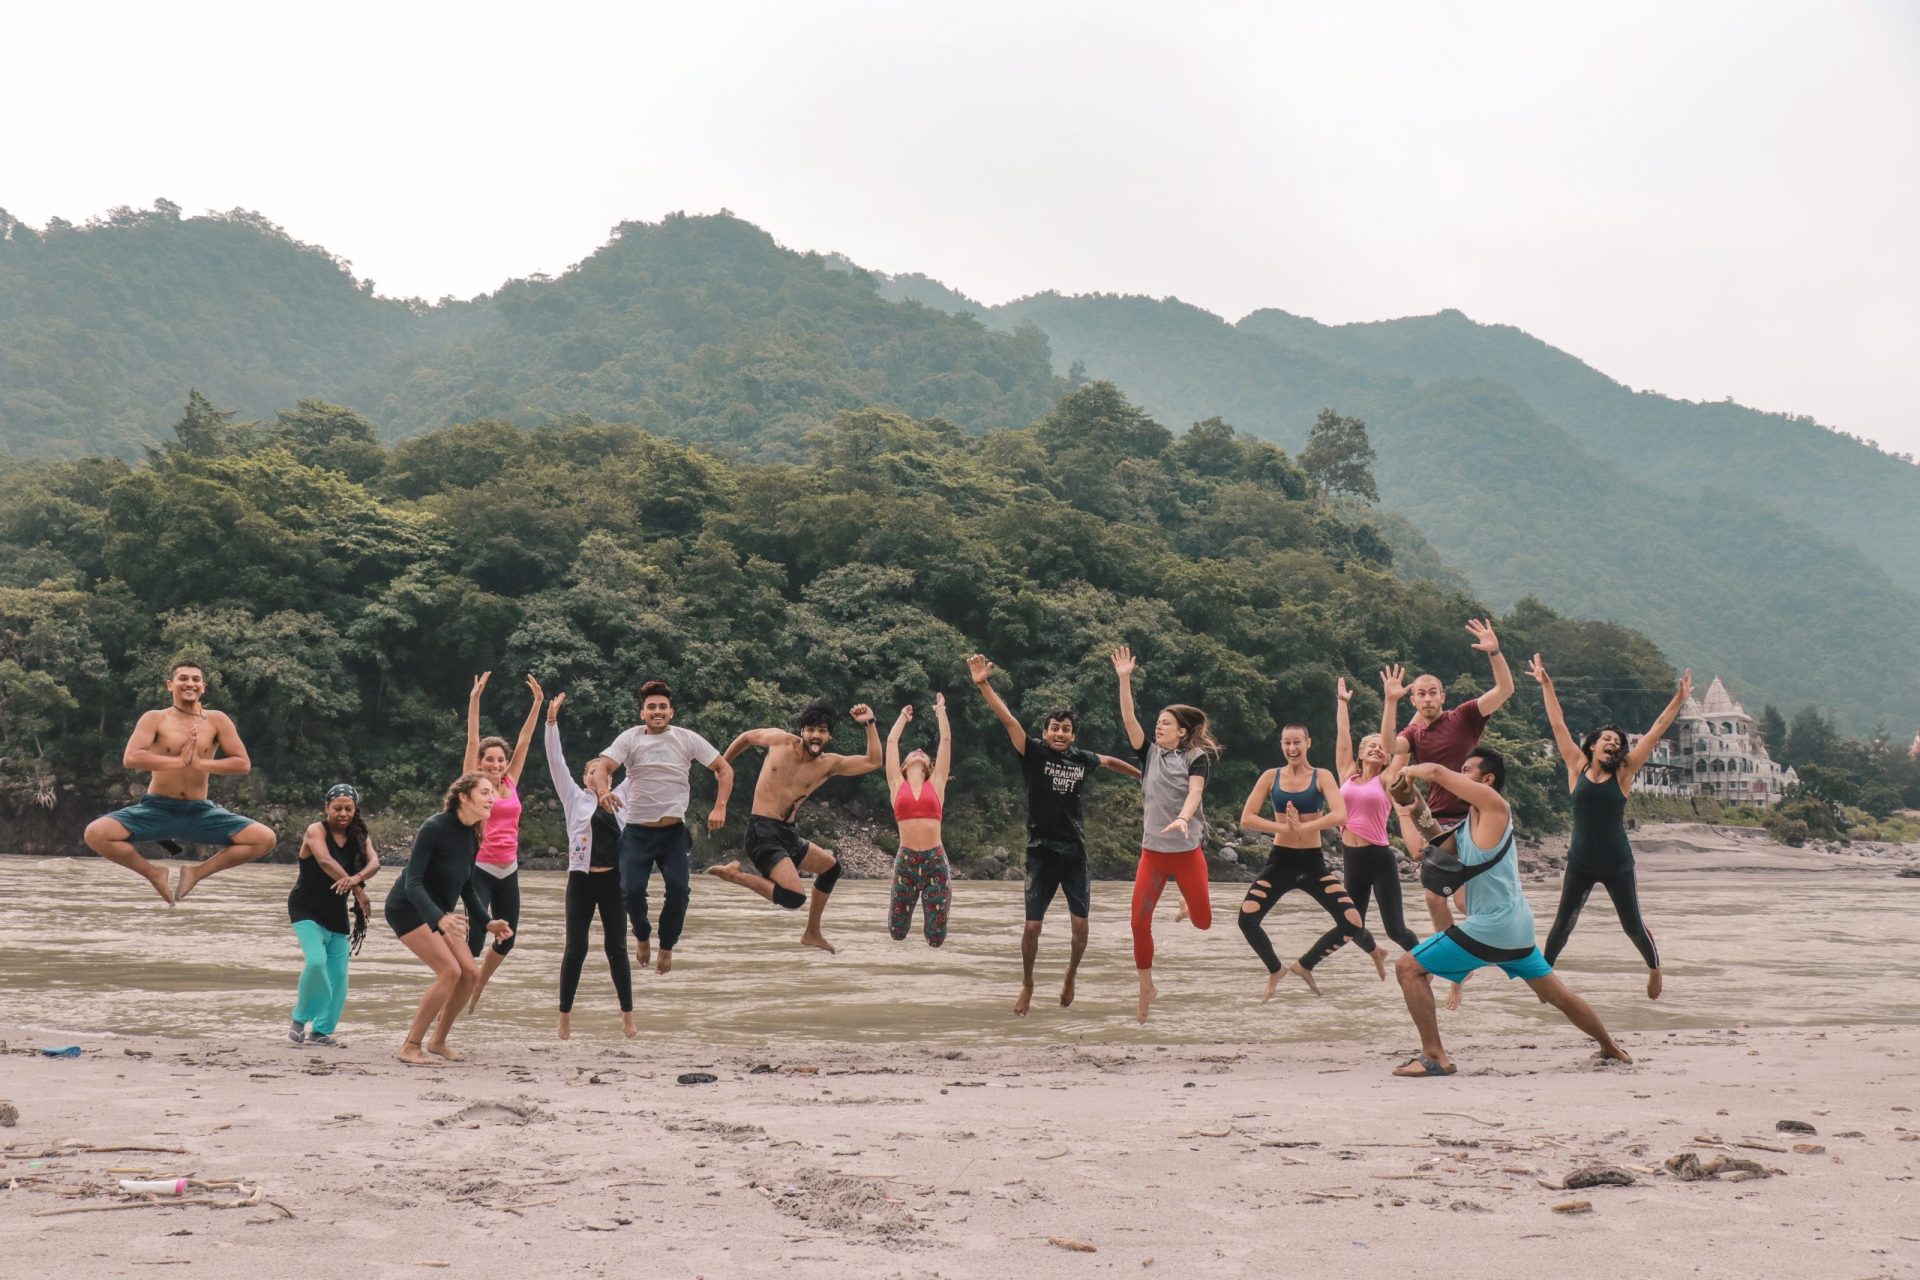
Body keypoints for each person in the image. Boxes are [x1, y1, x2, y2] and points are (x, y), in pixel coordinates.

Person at [1391, 750, 1631, 1076]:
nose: (1459, 774)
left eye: (1466, 769)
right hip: (1515, 927)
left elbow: (1435, 770)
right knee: (1555, 994)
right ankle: (1610, 1047)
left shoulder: (1495, 807)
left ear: (1487, 780)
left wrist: (1408, 770)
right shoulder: (1467, 827)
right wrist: (1412, 799)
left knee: (1407, 968)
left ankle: (1435, 1055)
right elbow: (1434, 838)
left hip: (1493, 925)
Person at [966, 654, 1140, 1016]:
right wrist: (983, 684)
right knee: (1032, 927)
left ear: (1073, 736)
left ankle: (1071, 973)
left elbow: (1109, 761)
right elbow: (1009, 720)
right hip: (1041, 852)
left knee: (1080, 929)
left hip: (1075, 853)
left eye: (1066, 730)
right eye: (1054, 729)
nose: (1060, 734)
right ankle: (1028, 982)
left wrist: (1143, 777)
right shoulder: (1032, 752)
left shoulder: (1081, 758)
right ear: (1045, 732)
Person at [1533, 656, 1693, 1000]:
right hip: (1580, 862)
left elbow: (1654, 732)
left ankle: (1654, 968)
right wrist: (1546, 684)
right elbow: (1558, 724)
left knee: (1631, 926)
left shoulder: (1624, 773)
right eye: (1607, 739)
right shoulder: (1576, 765)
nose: (1614, 743)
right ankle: (1545, 980)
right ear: (1592, 745)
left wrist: (1678, 700)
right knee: (1562, 925)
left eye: (1618, 742)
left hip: (1618, 864)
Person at [1380, 619, 1515, 1005]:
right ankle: (1456, 964)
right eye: (1419, 694)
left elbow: (1505, 689)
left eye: (1432, 692)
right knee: (1434, 898)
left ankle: (1482, 950)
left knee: (1462, 902)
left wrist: (1494, 651)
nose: (1426, 699)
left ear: (1443, 695)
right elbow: (1391, 745)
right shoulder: (1413, 733)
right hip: (1438, 825)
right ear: (1413, 700)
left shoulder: (1465, 716)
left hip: (1475, 819)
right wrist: (1389, 701)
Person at [83, 659, 277, 904]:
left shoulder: (217, 720)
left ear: (203, 687)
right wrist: (179, 761)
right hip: (157, 808)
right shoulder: (155, 718)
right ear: (170, 684)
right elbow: (131, 758)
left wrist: (200, 763)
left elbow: (242, 764)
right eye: (183, 678)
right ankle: (154, 873)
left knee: (264, 838)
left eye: (196, 679)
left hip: (199, 811)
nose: (190, 683)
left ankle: (196, 873)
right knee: (95, 834)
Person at [707, 699, 881, 954]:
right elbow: (745, 737)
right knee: (794, 898)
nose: (815, 735)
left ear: (829, 736)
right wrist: (723, 765)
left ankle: (812, 932)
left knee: (832, 869)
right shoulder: (780, 741)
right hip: (761, 832)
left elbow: (873, 761)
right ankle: (735, 874)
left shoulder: (828, 764)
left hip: (788, 834)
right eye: (811, 729)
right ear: (802, 731)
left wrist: (869, 723)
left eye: (822, 731)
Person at [584, 680, 732, 976]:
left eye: (662, 707)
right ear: (643, 713)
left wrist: (720, 806)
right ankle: (642, 937)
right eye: (651, 707)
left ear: (671, 712)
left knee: (679, 890)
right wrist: (602, 793)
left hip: (673, 833)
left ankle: (666, 945)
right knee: (631, 890)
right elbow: (603, 766)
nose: (657, 711)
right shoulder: (630, 739)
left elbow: (724, 768)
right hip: (638, 833)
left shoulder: (687, 739)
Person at [1235, 719, 1389, 1001]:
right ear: (1282, 745)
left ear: (1308, 743)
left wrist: (1303, 828)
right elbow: (1247, 818)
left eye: (1297, 742)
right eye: (1287, 743)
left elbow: (1340, 815)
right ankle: (1275, 969)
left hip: (1312, 863)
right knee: (1247, 919)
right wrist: (1284, 828)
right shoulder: (1271, 776)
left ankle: (1305, 964)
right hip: (1280, 861)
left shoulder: (1322, 776)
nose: (1292, 748)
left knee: (1352, 922)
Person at [1112, 645, 1216, 1024]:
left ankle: (1188, 902)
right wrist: (1124, 679)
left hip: (1187, 851)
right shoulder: (1150, 754)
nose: (1159, 726)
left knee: (1203, 922)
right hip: (1152, 853)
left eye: (1166, 723)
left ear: (1183, 731)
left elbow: (1196, 792)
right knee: (1139, 923)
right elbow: (1128, 719)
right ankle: (1146, 987)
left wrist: (1185, 818)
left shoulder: (1196, 757)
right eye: (1158, 721)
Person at [385, 772, 511, 1066]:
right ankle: (410, 1046)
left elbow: (467, 886)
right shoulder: (434, 827)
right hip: (407, 908)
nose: (492, 797)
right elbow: (411, 883)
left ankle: (438, 1041)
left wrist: (488, 922)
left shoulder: (474, 832)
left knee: (470, 973)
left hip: (440, 914)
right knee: (450, 971)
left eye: (492, 792)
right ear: (463, 797)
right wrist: (438, 919)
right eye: (484, 792)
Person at [547, 693, 636, 1039]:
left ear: (611, 778)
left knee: (617, 948)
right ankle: (565, 1015)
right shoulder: (575, 798)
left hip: (614, 882)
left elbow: (643, 768)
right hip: (581, 881)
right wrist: (551, 724)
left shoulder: (623, 798)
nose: (598, 776)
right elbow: (556, 762)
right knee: (576, 948)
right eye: (592, 771)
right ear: (586, 778)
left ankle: (627, 1014)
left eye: (604, 771)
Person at [461, 672, 543, 1012]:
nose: (495, 764)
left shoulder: (510, 782)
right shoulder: (475, 783)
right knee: (476, 941)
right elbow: (471, 740)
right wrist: (475, 699)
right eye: (489, 759)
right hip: (478, 869)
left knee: (506, 940)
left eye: (500, 759)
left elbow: (524, 742)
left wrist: (537, 704)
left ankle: (477, 985)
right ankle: (460, 984)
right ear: (481, 763)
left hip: (508, 870)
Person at [287, 784, 380, 1047]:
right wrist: (358, 890)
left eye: (348, 808)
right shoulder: (316, 830)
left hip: (336, 913)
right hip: (305, 908)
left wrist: (357, 879)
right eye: (337, 808)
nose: (343, 813)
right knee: (316, 963)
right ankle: (299, 1018)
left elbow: (375, 862)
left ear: (355, 810)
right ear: (326, 807)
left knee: (339, 977)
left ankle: (321, 1031)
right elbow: (326, 861)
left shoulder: (359, 836)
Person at [1334, 676, 1420, 955]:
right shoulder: (1347, 773)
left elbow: (1406, 741)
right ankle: (1376, 952)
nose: (1376, 748)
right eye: (1370, 746)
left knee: (1396, 930)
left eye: (1381, 748)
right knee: (1351, 929)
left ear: (1386, 758)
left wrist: (1401, 703)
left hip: (1379, 858)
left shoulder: (1386, 780)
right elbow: (1343, 734)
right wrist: (1343, 702)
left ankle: (1428, 964)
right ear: (1360, 754)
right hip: (1351, 857)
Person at [884, 697, 954, 948]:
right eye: (913, 752)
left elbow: (945, 740)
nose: (918, 751)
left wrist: (941, 712)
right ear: (904, 765)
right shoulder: (896, 785)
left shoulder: (936, 784)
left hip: (935, 860)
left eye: (922, 753)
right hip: (906, 862)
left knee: (936, 938)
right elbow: (891, 742)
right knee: (897, 932)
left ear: (927, 765)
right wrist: (903, 716)